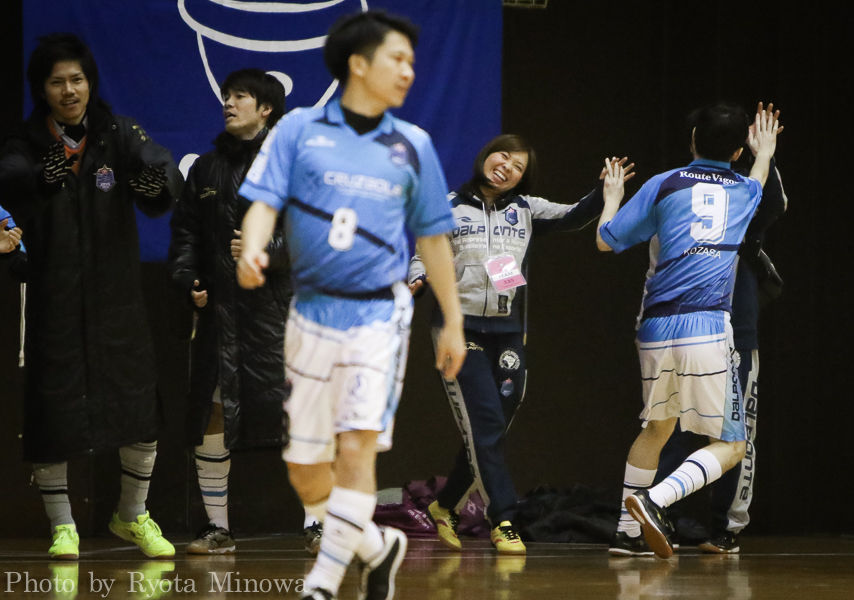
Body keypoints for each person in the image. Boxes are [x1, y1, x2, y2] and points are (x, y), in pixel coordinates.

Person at [235, 11, 466, 600]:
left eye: (412, 62)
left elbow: (433, 240)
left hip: (378, 316)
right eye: (397, 59)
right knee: (306, 473)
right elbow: (263, 203)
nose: (409, 71)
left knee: (358, 444)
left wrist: (453, 321)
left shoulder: (413, 145)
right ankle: (375, 548)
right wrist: (254, 248)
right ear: (358, 64)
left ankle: (323, 582)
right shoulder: (297, 129)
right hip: (310, 315)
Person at [0, 33, 183, 560]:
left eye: (77, 79)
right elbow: (10, 182)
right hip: (54, 298)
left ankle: (132, 514)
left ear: (90, 83)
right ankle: (63, 525)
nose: (69, 90)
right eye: (57, 82)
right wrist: (40, 178)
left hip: (118, 301)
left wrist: (155, 183)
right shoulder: (25, 142)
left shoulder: (116, 133)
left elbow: (160, 165)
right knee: (52, 411)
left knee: (138, 405)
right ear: (42, 89)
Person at [408, 135, 633, 554]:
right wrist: (416, 276)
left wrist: (604, 190)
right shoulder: (448, 204)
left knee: (493, 428)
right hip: (459, 330)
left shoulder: (526, 209)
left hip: (508, 332)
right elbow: (427, 250)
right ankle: (504, 519)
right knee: (486, 424)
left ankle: (445, 504)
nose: (507, 167)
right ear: (486, 155)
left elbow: (574, 215)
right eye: (504, 156)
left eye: (518, 167)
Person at [596, 103, 780, 559]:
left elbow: (606, 239)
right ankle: (654, 501)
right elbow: (759, 177)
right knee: (732, 446)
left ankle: (627, 533)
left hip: (655, 326)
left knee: (657, 428)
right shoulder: (745, 190)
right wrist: (764, 149)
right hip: (706, 326)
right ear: (737, 152)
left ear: (693, 138)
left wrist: (613, 196)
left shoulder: (664, 183)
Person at [169, 68, 320, 554]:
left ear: (266, 109)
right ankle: (218, 529)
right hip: (223, 318)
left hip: (282, 315)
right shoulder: (206, 168)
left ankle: (319, 524)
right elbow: (186, 234)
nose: (228, 103)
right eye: (226, 96)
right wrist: (189, 280)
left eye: (240, 96)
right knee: (213, 413)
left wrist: (269, 253)